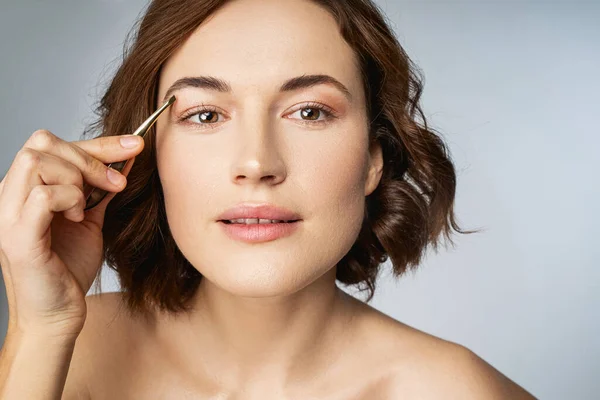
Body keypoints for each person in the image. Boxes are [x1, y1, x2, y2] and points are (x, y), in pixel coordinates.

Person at [0, 0, 537, 398]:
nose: (257, 164)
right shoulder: (71, 354)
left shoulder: (456, 391)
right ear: (148, 156)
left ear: (374, 158)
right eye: (205, 115)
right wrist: (40, 330)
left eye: (309, 112)